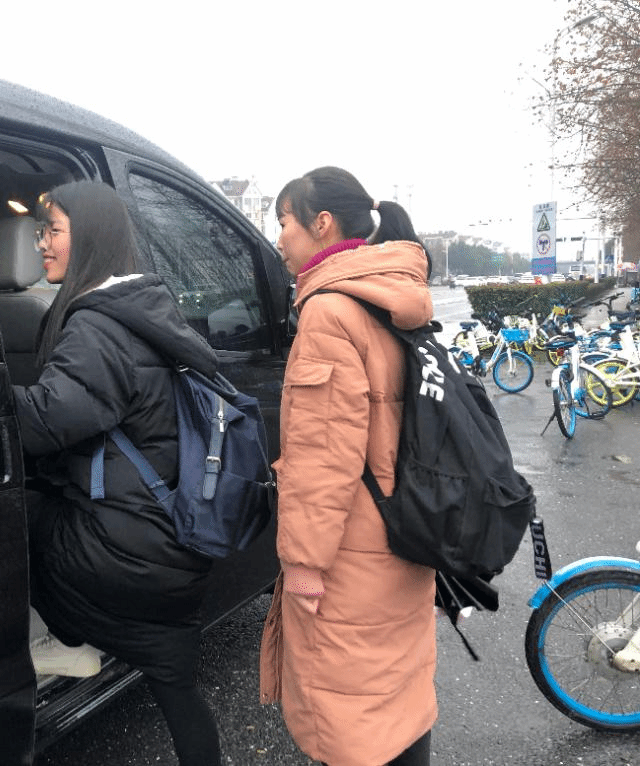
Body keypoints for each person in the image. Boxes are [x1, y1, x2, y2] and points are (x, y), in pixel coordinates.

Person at [12, 180, 222, 766]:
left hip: (125, 555)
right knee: (177, 688)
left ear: (90, 239)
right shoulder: (146, 308)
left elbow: (48, 421)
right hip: (175, 545)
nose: (42, 244)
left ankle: (64, 636)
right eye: (41, 232)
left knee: (11, 511)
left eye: (53, 231)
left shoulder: (96, 325)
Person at [259, 167, 437, 766]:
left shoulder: (330, 310)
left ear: (322, 224)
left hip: (349, 555)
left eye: (284, 222)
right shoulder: (395, 294)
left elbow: (321, 456)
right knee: (399, 694)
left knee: (350, 714)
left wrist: (302, 565)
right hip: (406, 532)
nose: (279, 238)